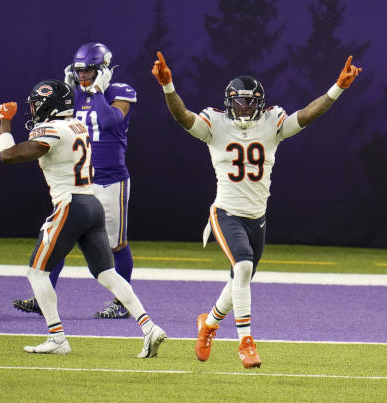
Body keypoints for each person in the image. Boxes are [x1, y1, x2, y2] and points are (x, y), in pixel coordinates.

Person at [151, 51, 361, 369]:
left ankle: (207, 325)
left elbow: (306, 115)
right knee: (245, 268)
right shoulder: (215, 122)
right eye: (240, 102)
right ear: (229, 102)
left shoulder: (272, 123)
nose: (245, 107)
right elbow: (184, 118)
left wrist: (337, 87)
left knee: (241, 278)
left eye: (250, 102)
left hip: (257, 217)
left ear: (260, 103)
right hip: (226, 212)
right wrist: (168, 86)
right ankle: (246, 342)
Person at [0, 79, 166, 356]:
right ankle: (149, 327)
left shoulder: (50, 128)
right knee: (106, 273)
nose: (34, 110)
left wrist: (5, 123)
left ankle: (57, 338)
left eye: (37, 105)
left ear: (50, 106)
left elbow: (8, 156)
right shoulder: (77, 125)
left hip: (70, 205)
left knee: (36, 270)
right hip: (91, 203)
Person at [13, 42, 137, 319]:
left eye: (89, 71)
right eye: (79, 71)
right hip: (78, 181)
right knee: (60, 238)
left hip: (110, 180)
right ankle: (43, 298)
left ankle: (122, 302)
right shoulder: (71, 95)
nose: (83, 77)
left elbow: (108, 122)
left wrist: (98, 90)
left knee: (116, 244)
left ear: (103, 68)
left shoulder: (120, 92)